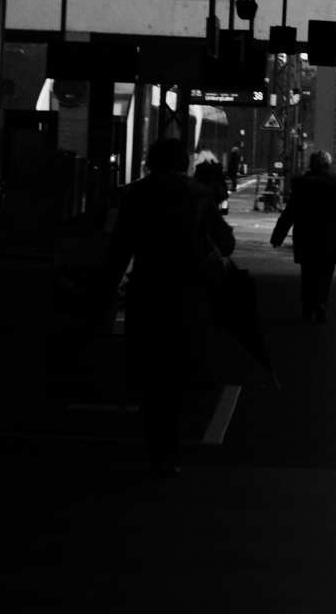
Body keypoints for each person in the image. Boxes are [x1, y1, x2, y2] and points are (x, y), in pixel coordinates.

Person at [95, 138, 235, 477]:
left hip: (146, 292)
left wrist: (100, 299)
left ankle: (153, 450)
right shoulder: (198, 195)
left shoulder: (136, 196)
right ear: (183, 162)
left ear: (149, 162)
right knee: (176, 379)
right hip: (187, 294)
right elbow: (226, 243)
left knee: (151, 373)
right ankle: (167, 456)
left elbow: (118, 252)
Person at [271, 150, 336, 323]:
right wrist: (333, 219)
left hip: (305, 236)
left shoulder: (302, 186)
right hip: (329, 238)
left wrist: (278, 236)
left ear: (311, 164)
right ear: (328, 165)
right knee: (325, 273)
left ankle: (308, 309)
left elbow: (290, 212)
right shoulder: (335, 185)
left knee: (308, 274)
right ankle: (321, 303)